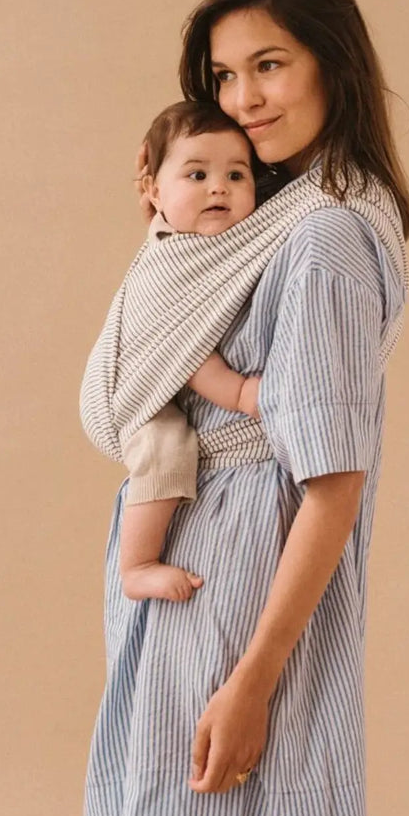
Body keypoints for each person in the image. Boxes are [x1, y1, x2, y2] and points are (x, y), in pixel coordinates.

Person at [79, 0, 409, 816]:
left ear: (331, 65)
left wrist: (254, 677)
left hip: (241, 575)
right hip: (199, 554)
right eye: (225, 75)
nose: (243, 100)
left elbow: (334, 481)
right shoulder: (263, 215)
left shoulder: (326, 237)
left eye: (269, 65)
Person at [117, 100, 265, 603]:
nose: (218, 187)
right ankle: (137, 566)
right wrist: (240, 393)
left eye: (236, 175)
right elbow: (188, 346)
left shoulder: (212, 241)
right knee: (166, 448)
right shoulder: (169, 258)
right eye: (197, 174)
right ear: (155, 192)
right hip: (144, 400)